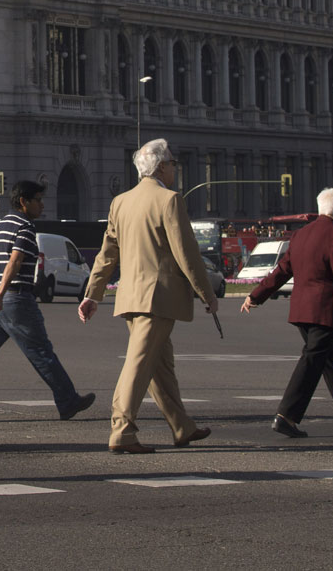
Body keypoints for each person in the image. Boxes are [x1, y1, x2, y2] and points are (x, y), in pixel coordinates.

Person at [79, 138, 217, 454]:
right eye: (172, 163)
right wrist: (206, 293)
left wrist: (93, 294)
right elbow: (187, 253)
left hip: (130, 297)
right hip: (158, 298)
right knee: (140, 365)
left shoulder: (121, 202)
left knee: (159, 366)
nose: (174, 169)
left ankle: (181, 426)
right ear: (161, 166)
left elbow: (107, 253)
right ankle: (122, 430)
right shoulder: (169, 200)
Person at [0, 180, 95, 422]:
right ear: (24, 202)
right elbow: (14, 262)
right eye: (38, 200)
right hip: (13, 297)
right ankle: (68, 401)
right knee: (40, 350)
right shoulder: (24, 227)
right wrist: (2, 295)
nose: (42, 205)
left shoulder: (1, 225)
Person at [240, 187, 333, 438]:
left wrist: (256, 295)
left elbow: (281, 270)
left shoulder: (300, 235)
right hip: (324, 312)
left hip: (302, 311)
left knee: (329, 361)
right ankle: (286, 416)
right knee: (312, 361)